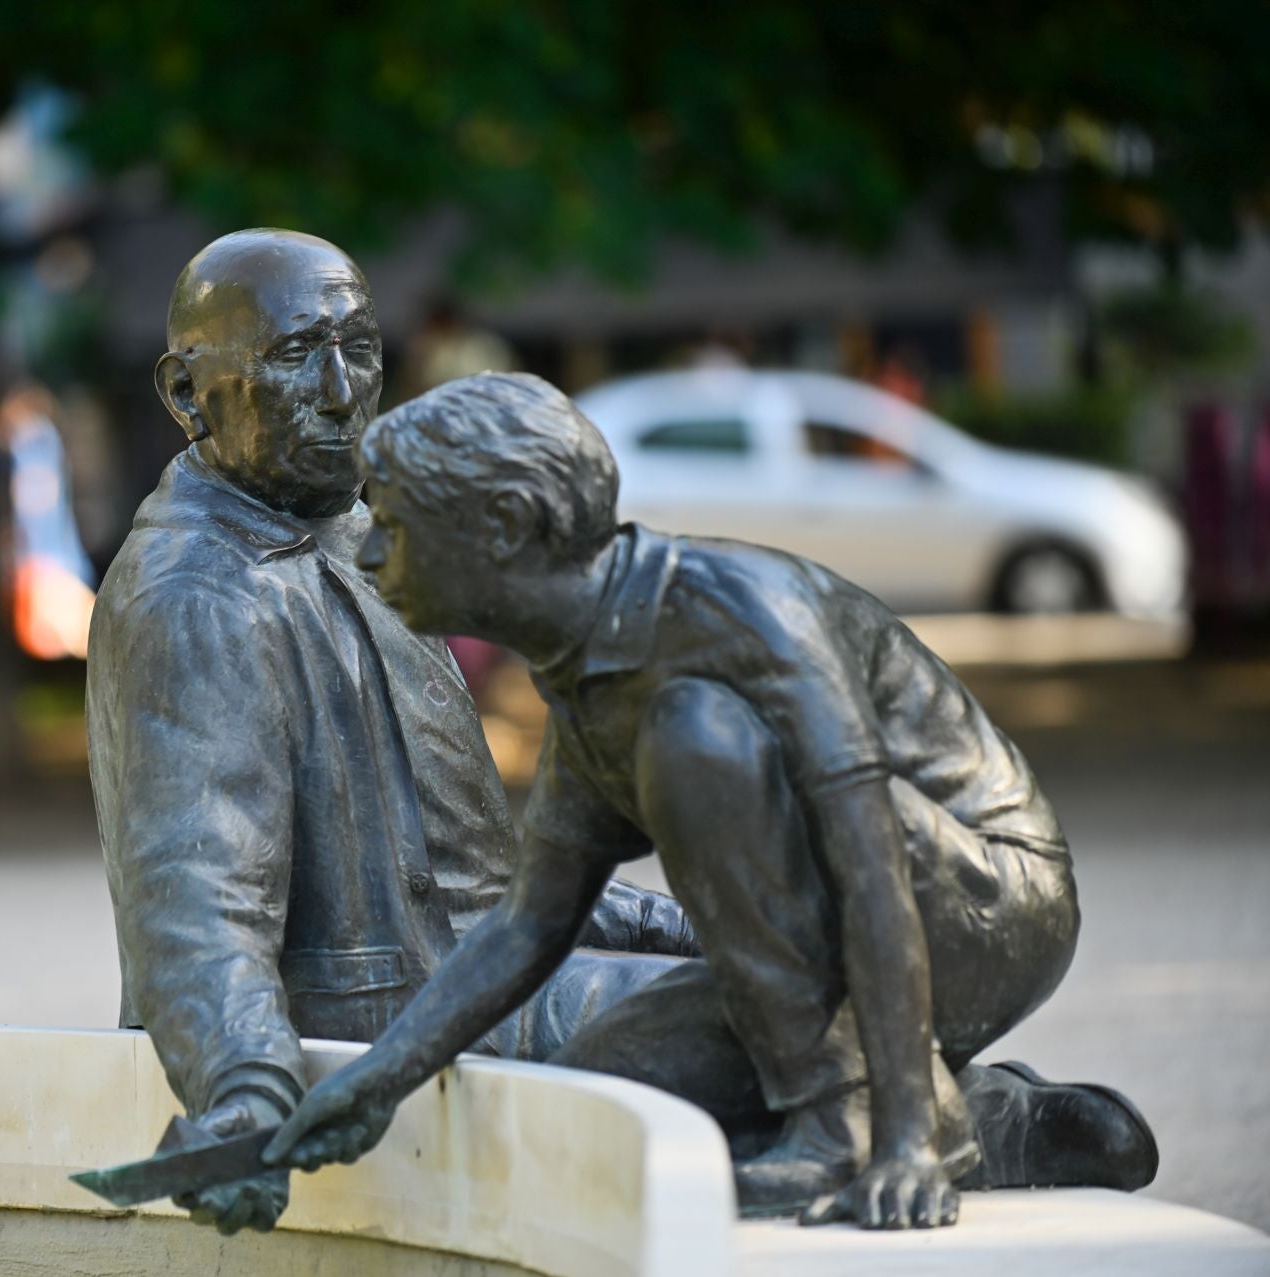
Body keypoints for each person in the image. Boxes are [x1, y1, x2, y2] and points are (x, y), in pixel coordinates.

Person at [266, 372, 1159, 1230]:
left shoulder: (736, 615)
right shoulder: (586, 670)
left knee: (695, 737)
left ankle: (865, 1117)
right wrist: (376, 1079)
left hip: (988, 897)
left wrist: (898, 1144)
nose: (372, 549)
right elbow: (530, 925)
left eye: (392, 523)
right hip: (855, 942)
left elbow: (872, 866)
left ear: (502, 522)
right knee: (606, 1086)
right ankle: (1001, 1123)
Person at [85, 233, 697, 1236]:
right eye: (295, 353)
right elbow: (198, 904)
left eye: (358, 346)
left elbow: (479, 878)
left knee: (788, 960)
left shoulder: (361, 535)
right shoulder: (199, 596)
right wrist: (246, 1091)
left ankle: (1016, 1115)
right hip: (379, 1028)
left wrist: (663, 917)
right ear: (188, 394)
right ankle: (1011, 1123)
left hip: (470, 973)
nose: (341, 389)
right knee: (773, 1012)